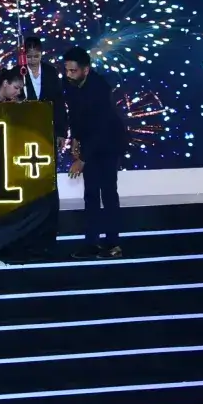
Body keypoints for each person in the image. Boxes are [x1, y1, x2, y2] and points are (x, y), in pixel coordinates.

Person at [64, 47, 125, 259]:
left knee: (108, 192)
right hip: (90, 141)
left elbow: (100, 128)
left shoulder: (99, 89)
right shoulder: (71, 84)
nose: (68, 74)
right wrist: (75, 139)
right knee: (90, 194)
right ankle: (91, 243)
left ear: (86, 70)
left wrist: (82, 159)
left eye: (73, 71)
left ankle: (113, 244)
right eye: (67, 70)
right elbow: (75, 115)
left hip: (108, 143)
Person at [20, 37, 68, 150]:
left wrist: (61, 132)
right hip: (25, 128)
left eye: (36, 56)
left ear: (41, 54)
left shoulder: (51, 72)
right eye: (29, 57)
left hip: (49, 128)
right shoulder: (19, 72)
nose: (32, 60)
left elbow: (59, 103)